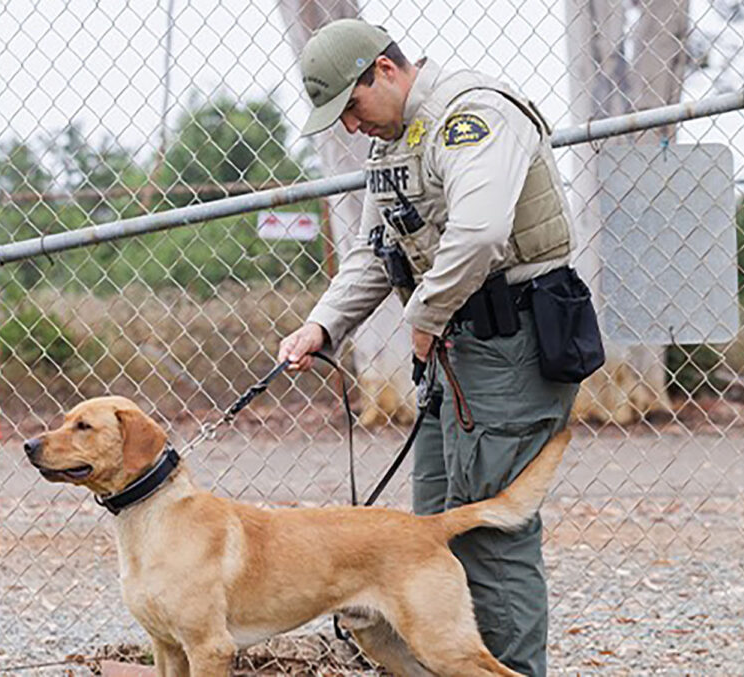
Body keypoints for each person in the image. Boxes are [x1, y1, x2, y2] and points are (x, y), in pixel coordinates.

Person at [277, 18, 583, 677]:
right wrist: (322, 325)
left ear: (384, 70)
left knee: (490, 533)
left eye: (352, 108)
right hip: (455, 352)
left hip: (512, 341)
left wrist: (424, 315)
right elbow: (374, 252)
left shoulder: (471, 116)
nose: (352, 128)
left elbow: (479, 232)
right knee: (425, 536)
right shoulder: (393, 146)